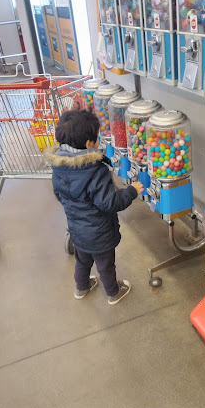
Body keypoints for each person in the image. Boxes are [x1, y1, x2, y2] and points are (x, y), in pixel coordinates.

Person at [46, 110, 144, 305]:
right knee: (105, 265)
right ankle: (113, 293)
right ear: (89, 143)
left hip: (76, 229)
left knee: (82, 261)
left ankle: (81, 288)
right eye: (97, 136)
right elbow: (109, 203)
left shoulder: (58, 166)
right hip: (99, 233)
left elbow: (59, 195)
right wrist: (131, 191)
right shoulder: (94, 171)